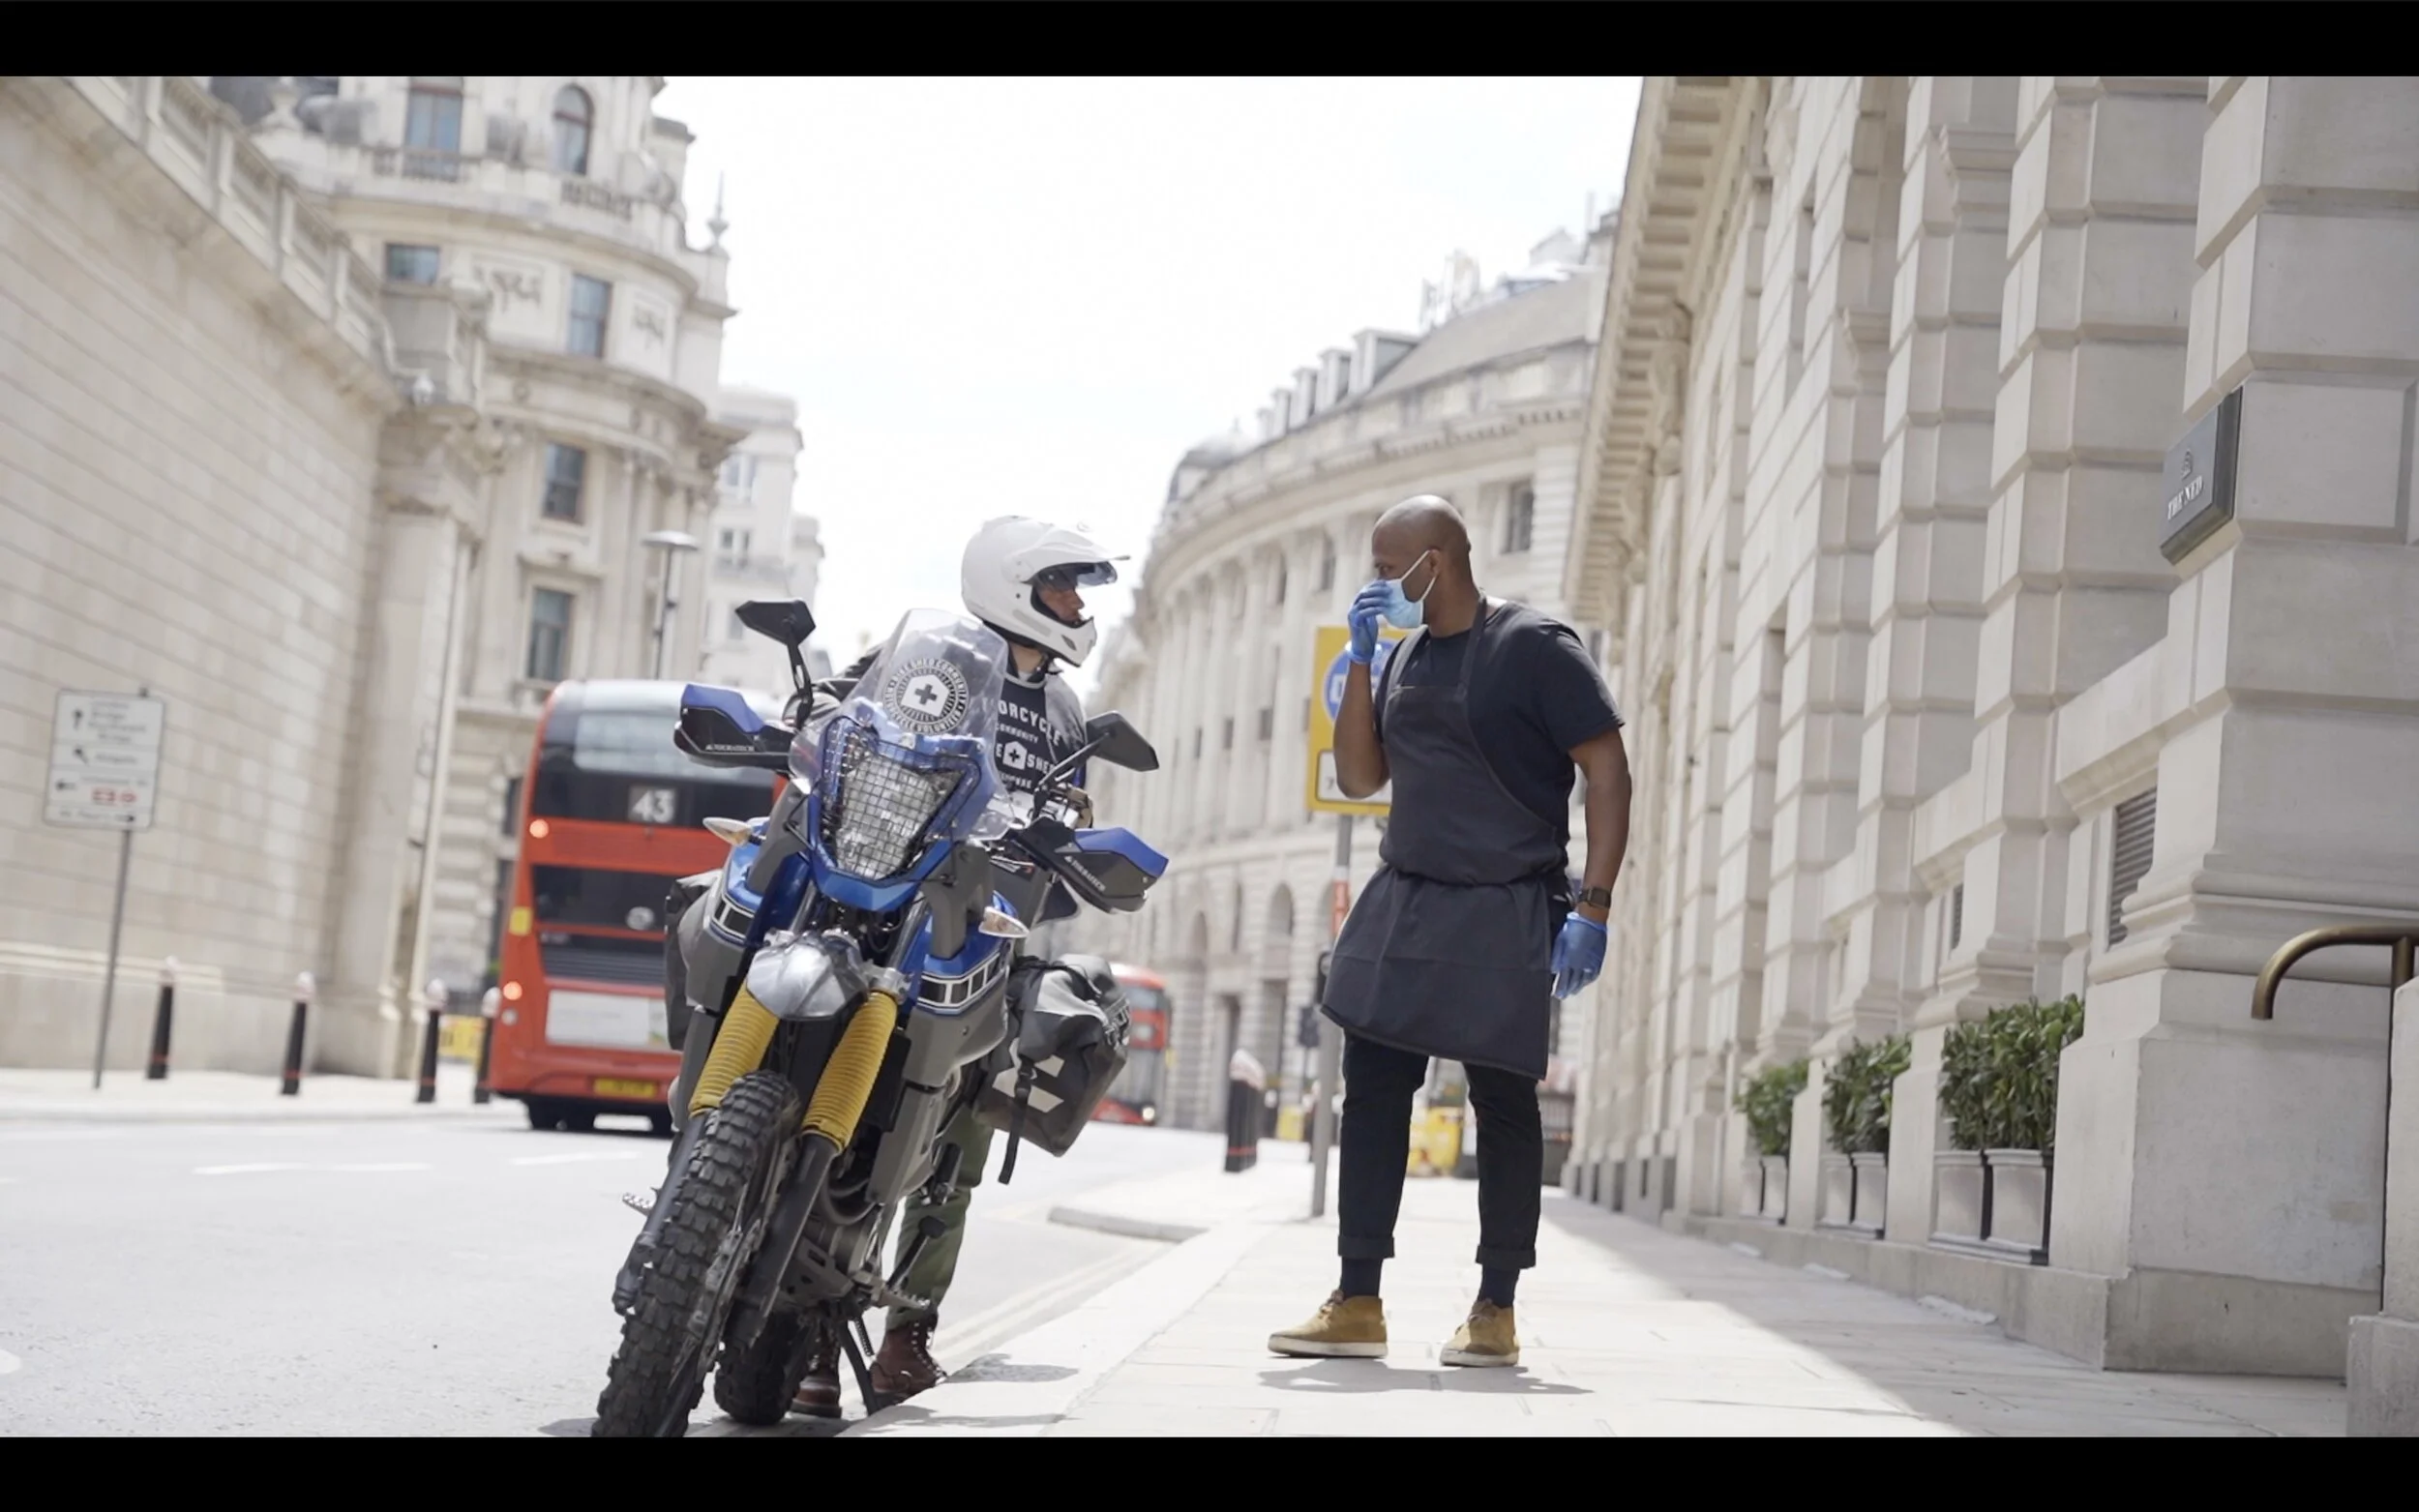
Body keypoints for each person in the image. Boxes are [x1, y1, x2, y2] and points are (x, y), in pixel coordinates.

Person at [1268, 494, 1631, 1369]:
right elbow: (1359, 776)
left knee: (1503, 1103)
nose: (1378, 583)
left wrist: (1594, 904)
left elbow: (1609, 770)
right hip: (1408, 894)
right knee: (1372, 1090)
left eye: (1390, 568)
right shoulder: (1401, 658)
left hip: (1507, 902)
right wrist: (1361, 660)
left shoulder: (1536, 650)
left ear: (1441, 560)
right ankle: (1359, 1299)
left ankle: (1495, 1306)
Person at [789, 515, 1121, 1417]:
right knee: (842, 1111)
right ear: (1017, 586)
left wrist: (1072, 825)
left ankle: (906, 1336)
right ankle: (812, 1330)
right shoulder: (929, 653)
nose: (1078, 605)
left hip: (986, 936)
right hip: (884, 908)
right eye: (1064, 587)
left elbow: (1071, 822)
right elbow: (837, 730)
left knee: (954, 1141)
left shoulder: (1062, 709)